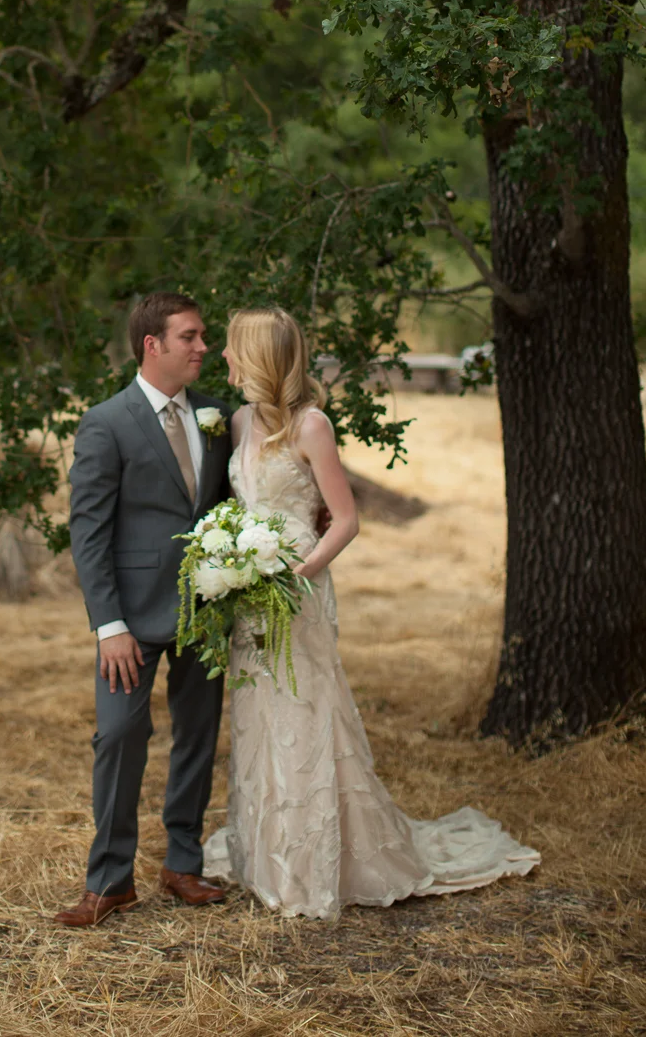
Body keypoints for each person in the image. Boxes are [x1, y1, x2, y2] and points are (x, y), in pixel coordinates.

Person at [203, 306, 540, 919]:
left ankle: (315, 861)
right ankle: (269, 853)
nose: (223, 357)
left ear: (258, 356)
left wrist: (302, 569)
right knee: (259, 710)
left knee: (304, 708)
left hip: (296, 589)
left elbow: (347, 518)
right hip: (249, 591)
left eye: (231, 348)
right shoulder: (237, 422)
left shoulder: (311, 426)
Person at [55, 292, 234, 927]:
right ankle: (110, 880)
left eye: (203, 335)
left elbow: (236, 500)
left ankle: (183, 863)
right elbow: (89, 531)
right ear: (152, 345)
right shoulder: (107, 422)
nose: (203, 347)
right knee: (120, 737)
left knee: (199, 738)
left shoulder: (218, 414)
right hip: (128, 620)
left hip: (205, 607)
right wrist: (109, 626)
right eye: (190, 336)